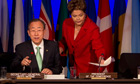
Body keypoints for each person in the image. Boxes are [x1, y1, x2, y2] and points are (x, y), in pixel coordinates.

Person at [59, 0, 105, 76]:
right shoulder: (66, 24)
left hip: (87, 68)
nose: (78, 18)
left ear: (85, 13)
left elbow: (98, 47)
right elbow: (64, 40)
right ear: (70, 15)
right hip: (72, 66)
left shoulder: (92, 28)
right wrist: (61, 47)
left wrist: (101, 57)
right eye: (74, 16)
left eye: (81, 15)